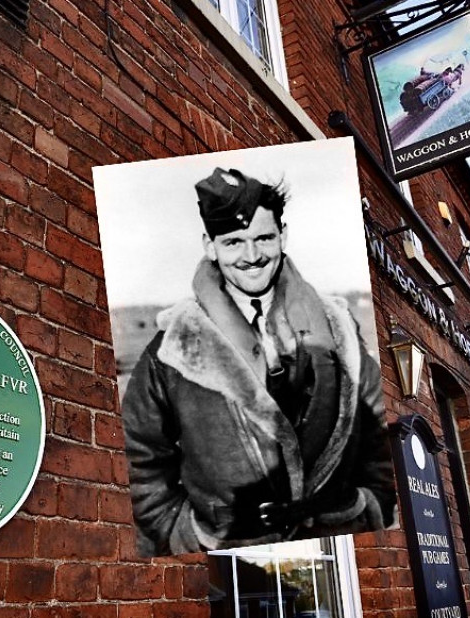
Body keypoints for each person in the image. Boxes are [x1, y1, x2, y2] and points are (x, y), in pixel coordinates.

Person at [121, 167, 396, 556]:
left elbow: (378, 435)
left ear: (282, 236)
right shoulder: (172, 350)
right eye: (233, 242)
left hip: (341, 549)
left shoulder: (340, 328)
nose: (252, 257)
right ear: (209, 245)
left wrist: (368, 507)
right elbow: (141, 462)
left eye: (264, 238)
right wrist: (186, 536)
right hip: (234, 558)